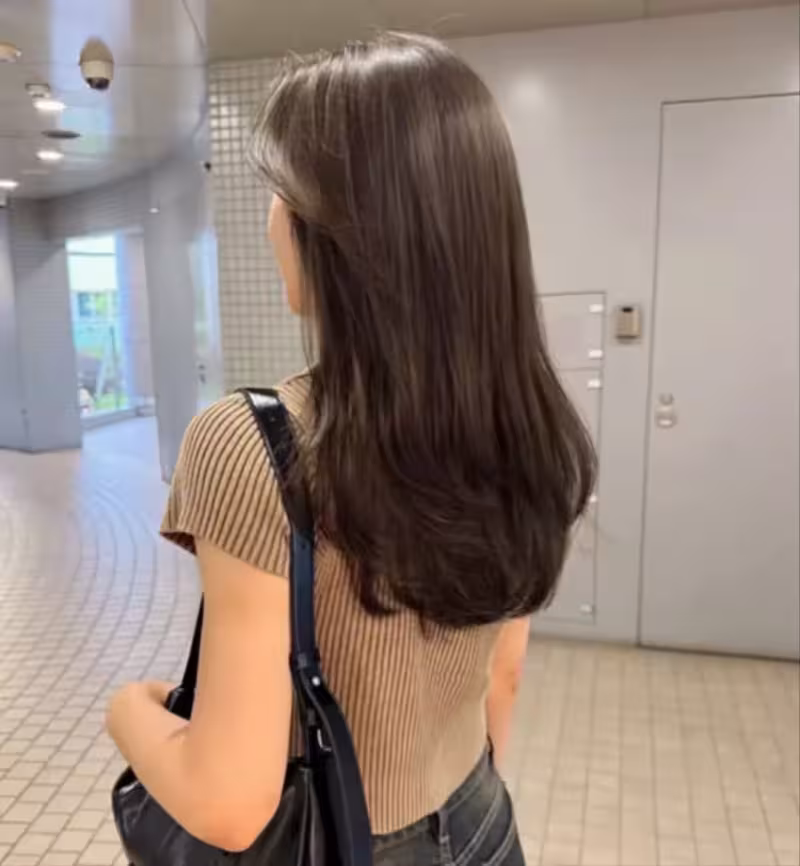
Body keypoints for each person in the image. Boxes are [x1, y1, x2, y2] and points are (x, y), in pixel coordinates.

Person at [107, 32, 596, 865]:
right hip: (484, 822)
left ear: (347, 234)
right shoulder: (526, 422)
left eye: (282, 194)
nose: (272, 219)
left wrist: (127, 713)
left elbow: (229, 805)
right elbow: (503, 676)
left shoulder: (251, 442)